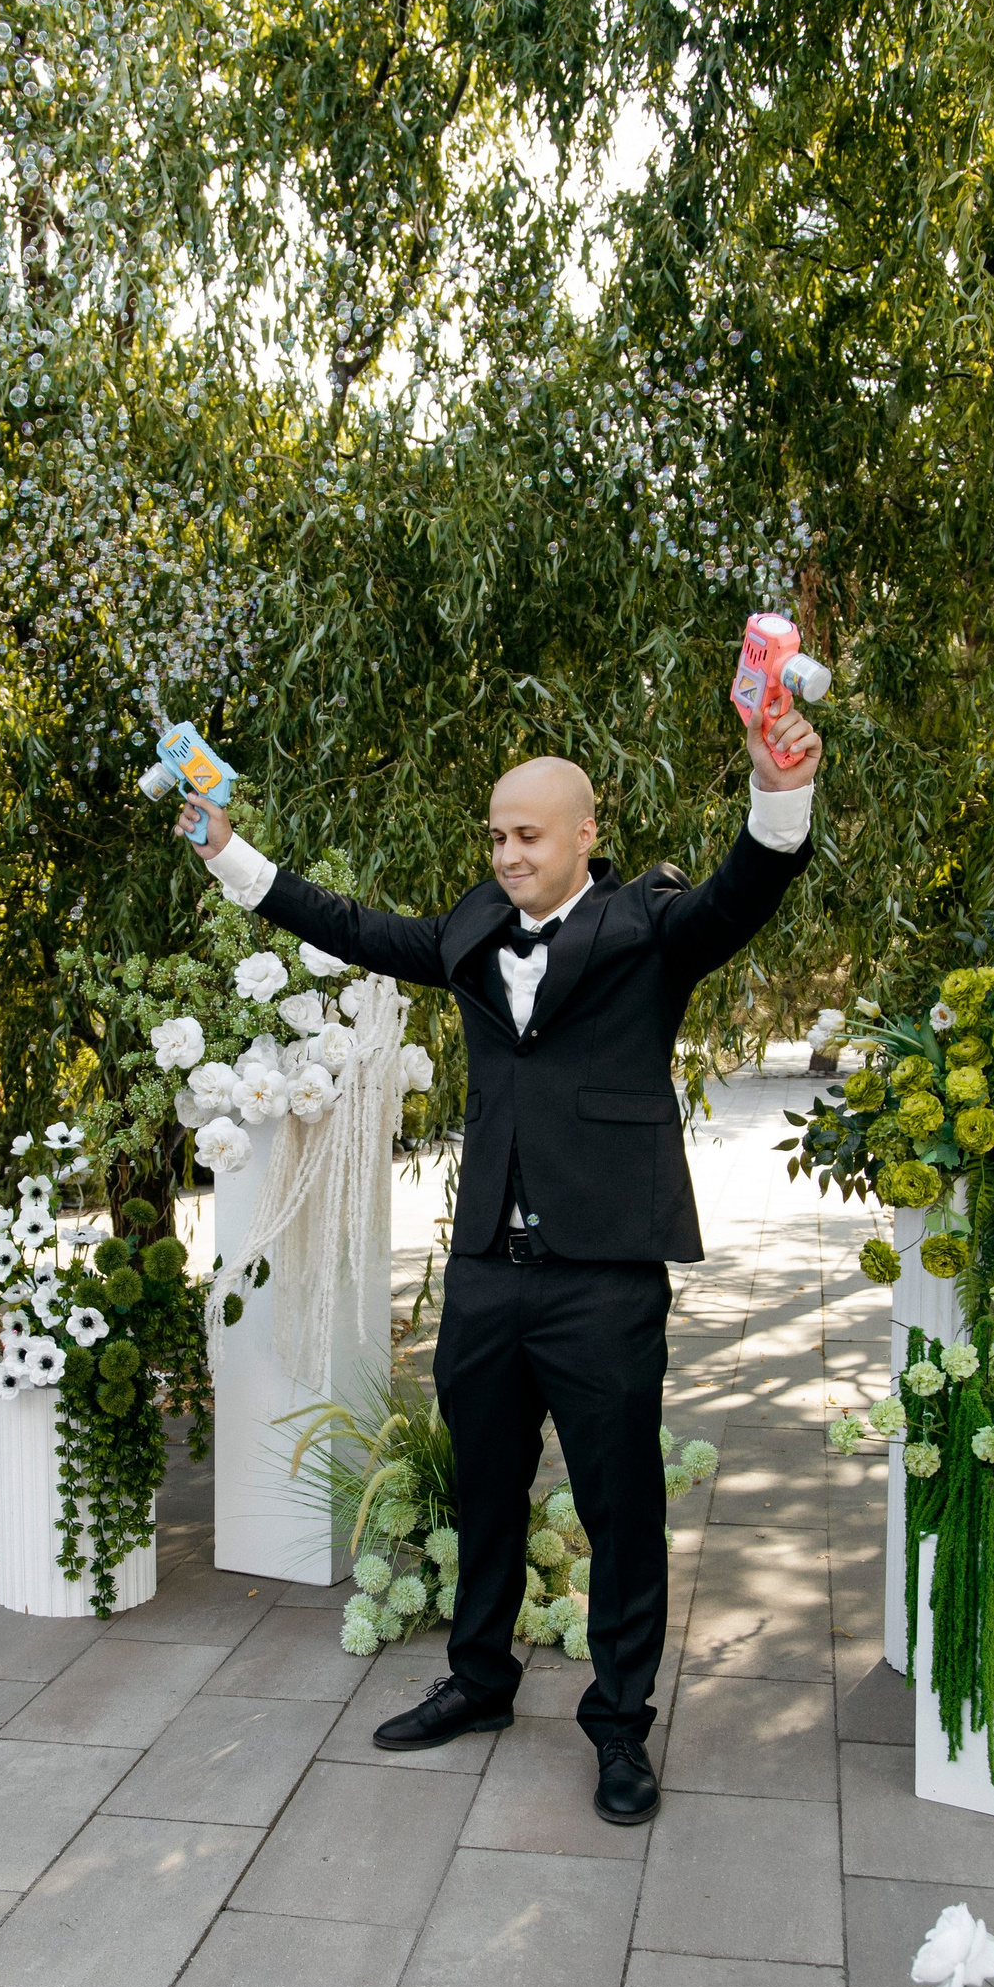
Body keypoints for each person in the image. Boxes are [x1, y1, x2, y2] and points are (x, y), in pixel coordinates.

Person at [178, 688, 822, 1826]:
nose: (507, 854)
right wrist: (229, 850)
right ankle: (479, 1682)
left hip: (604, 1276)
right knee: (484, 1488)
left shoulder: (647, 927)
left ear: (584, 834)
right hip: (485, 1269)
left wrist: (780, 791)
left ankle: (619, 1726)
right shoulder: (474, 927)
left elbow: (745, 892)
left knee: (620, 1508)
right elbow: (355, 928)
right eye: (495, 836)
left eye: (528, 835)